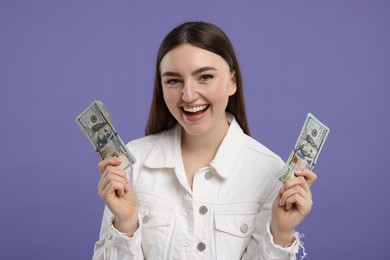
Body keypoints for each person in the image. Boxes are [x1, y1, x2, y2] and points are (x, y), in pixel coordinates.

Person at [92, 21, 317, 259]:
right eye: (173, 80)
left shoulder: (269, 170)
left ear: (233, 82)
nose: (188, 95)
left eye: (205, 77)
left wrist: (281, 233)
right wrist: (125, 224)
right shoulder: (133, 162)